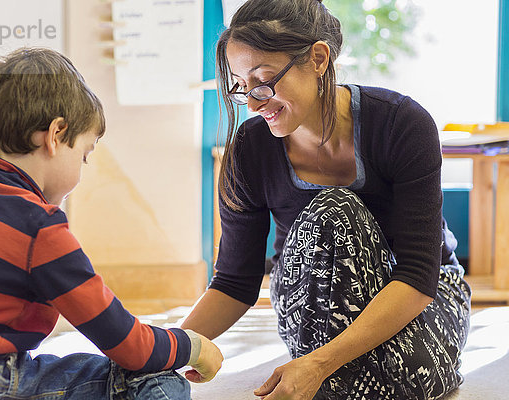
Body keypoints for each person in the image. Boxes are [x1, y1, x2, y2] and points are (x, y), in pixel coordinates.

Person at [180, 0, 471, 399]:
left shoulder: (402, 124)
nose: (252, 102)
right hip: (312, 293)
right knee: (365, 376)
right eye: (240, 86)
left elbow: (419, 275)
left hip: (419, 292)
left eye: (263, 81)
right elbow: (234, 281)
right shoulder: (249, 149)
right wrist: (168, 349)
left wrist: (320, 362)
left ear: (318, 58)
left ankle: (326, 371)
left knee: (402, 375)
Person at [0, 47, 222, 400]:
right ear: (56, 135)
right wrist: (192, 344)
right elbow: (126, 344)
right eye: (84, 155)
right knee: (151, 378)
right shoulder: (38, 225)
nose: (81, 170)